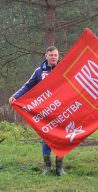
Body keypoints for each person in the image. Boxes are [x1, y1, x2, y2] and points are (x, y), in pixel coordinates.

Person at [8, 46, 66, 176]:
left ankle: (59, 168)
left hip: (62, 110)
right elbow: (27, 86)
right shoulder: (39, 71)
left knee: (61, 137)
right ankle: (47, 167)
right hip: (45, 111)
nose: (53, 57)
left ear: (58, 56)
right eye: (50, 55)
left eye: (55, 55)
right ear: (46, 56)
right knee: (46, 137)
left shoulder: (64, 69)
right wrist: (15, 96)